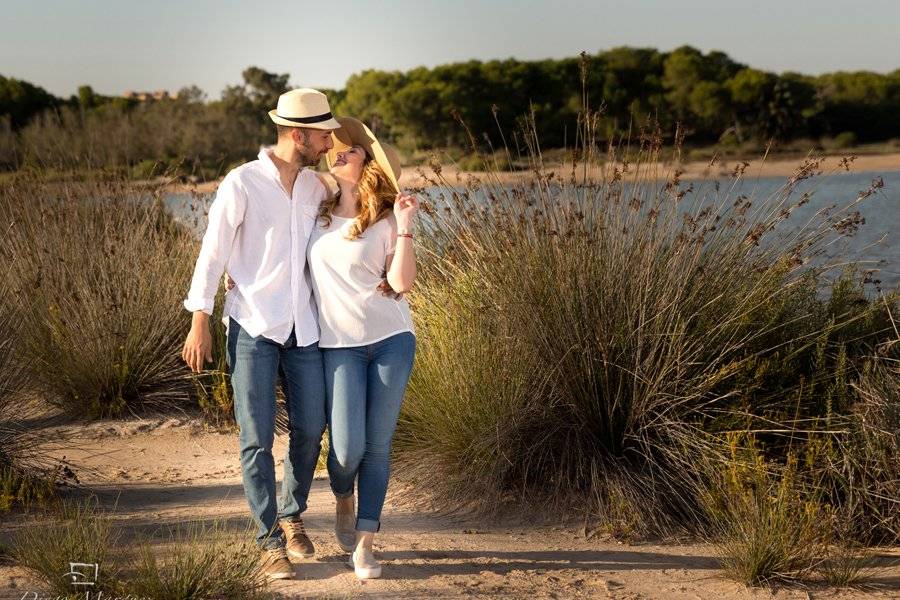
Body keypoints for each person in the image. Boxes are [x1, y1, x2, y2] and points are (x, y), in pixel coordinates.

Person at [181, 88, 340, 581]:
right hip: (252, 326)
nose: (329, 142)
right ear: (299, 135)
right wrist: (200, 318)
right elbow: (213, 252)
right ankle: (270, 540)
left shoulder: (317, 187)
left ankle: (291, 514)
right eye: (322, 135)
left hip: (305, 328)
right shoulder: (242, 183)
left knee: (312, 429)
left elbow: (356, 202)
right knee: (256, 439)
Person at [307, 116, 419, 579]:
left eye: (350, 150)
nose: (339, 152)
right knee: (347, 449)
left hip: (391, 340)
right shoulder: (314, 213)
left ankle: (366, 546)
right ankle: (342, 498)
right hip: (338, 346)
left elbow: (401, 283)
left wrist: (407, 225)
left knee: (378, 446)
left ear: (368, 163)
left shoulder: (389, 219)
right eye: (336, 148)